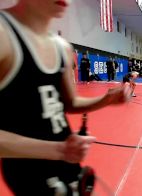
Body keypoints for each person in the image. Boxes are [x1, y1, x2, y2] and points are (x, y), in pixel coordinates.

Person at [0, 1, 132, 195]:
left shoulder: (62, 47)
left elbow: (70, 103)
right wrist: (57, 150)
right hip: (29, 169)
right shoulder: (4, 34)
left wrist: (106, 100)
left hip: (66, 160)